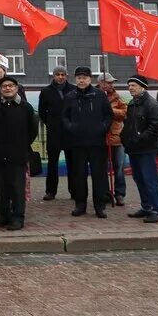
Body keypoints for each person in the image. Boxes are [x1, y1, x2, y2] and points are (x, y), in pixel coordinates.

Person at [61, 66, 114, 218]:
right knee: (79, 175)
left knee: (99, 175)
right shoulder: (70, 96)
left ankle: (100, 206)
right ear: (75, 79)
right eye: (79, 78)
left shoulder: (99, 95)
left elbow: (108, 115)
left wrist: (102, 127)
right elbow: (64, 116)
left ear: (90, 79)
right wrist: (70, 127)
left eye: (84, 77)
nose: (81, 80)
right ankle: (80, 204)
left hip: (97, 143)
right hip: (77, 143)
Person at [0, 76, 38, 231]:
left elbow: (33, 130)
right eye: (4, 86)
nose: (7, 88)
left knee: (17, 189)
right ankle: (3, 216)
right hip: (0, 154)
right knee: (2, 188)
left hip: (18, 155)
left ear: (16, 88)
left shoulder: (26, 107)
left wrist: (22, 144)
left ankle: (17, 217)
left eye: (10, 86)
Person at [123, 76, 158, 223]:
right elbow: (129, 124)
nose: (130, 88)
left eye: (133, 85)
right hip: (134, 148)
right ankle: (146, 207)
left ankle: (156, 210)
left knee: (149, 179)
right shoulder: (132, 103)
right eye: (129, 85)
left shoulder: (151, 104)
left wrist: (141, 138)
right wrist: (126, 138)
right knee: (139, 178)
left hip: (146, 148)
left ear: (143, 87)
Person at [38, 66, 73, 201]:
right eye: (58, 74)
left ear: (66, 75)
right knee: (52, 164)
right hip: (54, 133)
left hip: (70, 133)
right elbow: (42, 112)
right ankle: (51, 191)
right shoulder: (46, 91)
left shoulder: (73, 90)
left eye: (63, 74)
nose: (60, 77)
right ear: (53, 76)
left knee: (73, 164)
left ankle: (74, 190)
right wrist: (51, 124)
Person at [98, 73, 128, 206]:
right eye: (109, 82)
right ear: (101, 83)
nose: (111, 85)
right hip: (101, 137)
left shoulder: (117, 97)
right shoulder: (95, 96)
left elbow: (124, 113)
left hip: (116, 137)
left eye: (112, 82)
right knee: (102, 169)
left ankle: (120, 194)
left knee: (119, 168)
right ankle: (105, 194)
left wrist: (111, 110)